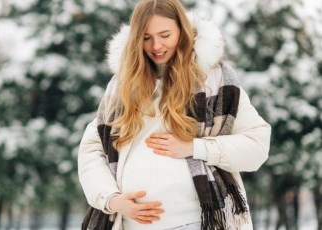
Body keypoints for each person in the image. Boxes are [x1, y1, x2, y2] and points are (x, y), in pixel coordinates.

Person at [78, 0, 271, 229]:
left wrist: (195, 147)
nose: (156, 45)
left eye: (165, 34)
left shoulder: (215, 81)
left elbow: (257, 146)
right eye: (146, 37)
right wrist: (111, 200)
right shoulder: (121, 86)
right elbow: (91, 151)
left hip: (200, 223)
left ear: (182, 30)